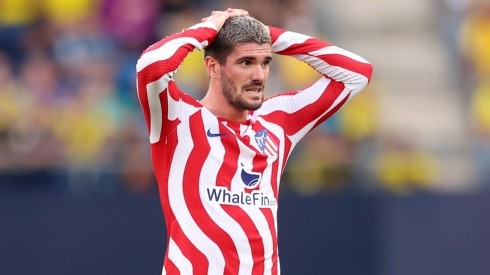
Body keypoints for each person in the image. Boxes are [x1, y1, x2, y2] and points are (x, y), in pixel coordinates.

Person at [136, 8, 373, 275]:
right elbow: (151, 65)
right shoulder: (177, 120)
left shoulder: (278, 121)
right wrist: (210, 29)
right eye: (246, 62)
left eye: (265, 62)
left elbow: (357, 72)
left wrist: (267, 34)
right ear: (212, 66)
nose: (259, 75)